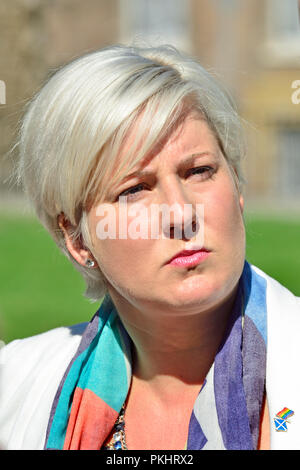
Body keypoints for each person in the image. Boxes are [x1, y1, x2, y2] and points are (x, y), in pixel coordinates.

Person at [0, 44, 299, 451]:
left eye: (199, 171)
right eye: (135, 189)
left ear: (237, 187)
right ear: (76, 238)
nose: (180, 213)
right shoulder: (16, 387)